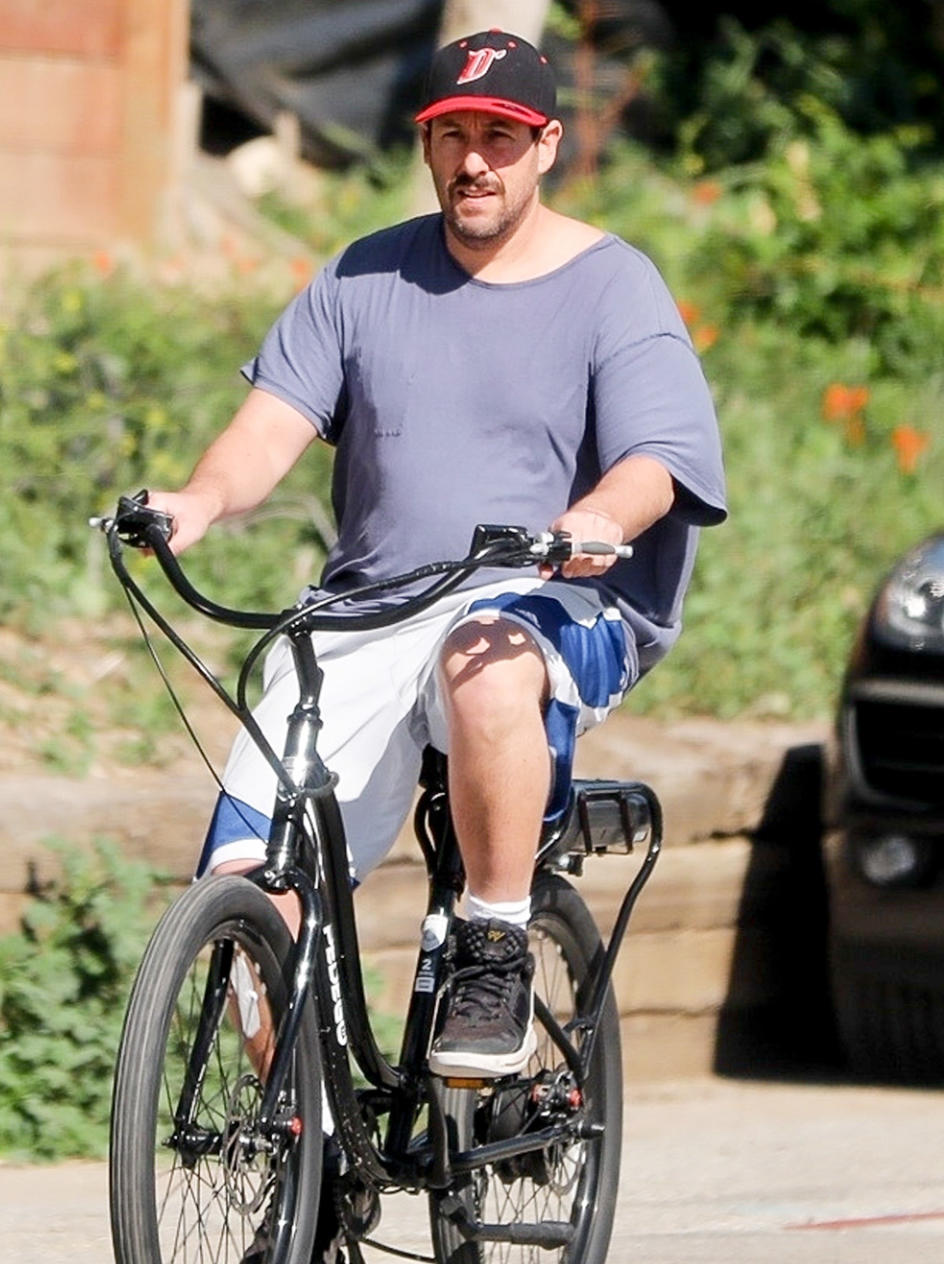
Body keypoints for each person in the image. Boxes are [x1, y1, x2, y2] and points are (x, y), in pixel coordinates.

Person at [147, 28, 726, 1085]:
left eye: (498, 137)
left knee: (486, 661)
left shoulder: (613, 285)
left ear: (545, 145)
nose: (472, 160)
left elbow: (659, 459)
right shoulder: (364, 276)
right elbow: (269, 427)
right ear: (425, 145)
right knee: (250, 881)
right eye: (452, 134)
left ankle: (494, 942)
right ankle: (294, 1133)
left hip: (548, 601)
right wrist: (197, 500)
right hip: (373, 605)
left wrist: (597, 517)